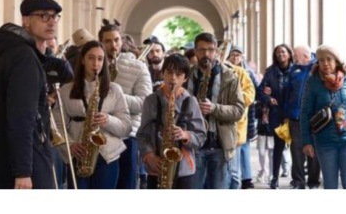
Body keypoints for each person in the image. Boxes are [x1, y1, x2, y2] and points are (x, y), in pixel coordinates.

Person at [0, 0, 62, 189]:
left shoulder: (0, 54)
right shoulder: (24, 59)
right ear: (25, 20)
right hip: (26, 164)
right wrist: (23, 171)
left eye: (55, 16)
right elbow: (22, 118)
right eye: (43, 16)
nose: (51, 22)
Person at [54, 40, 131, 189]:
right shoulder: (66, 90)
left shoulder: (115, 90)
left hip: (107, 156)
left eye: (100, 59)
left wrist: (107, 120)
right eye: (91, 58)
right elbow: (57, 124)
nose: (96, 63)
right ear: (82, 60)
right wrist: (69, 145)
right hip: (79, 153)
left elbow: (126, 127)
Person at [137, 54, 207, 189]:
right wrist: (149, 155)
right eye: (169, 72)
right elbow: (142, 134)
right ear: (163, 73)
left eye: (179, 74)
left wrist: (185, 135)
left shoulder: (190, 101)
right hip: (156, 167)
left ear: (185, 78)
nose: (173, 78)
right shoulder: (151, 100)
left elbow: (201, 136)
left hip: (184, 170)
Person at [186, 32, 245, 189]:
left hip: (219, 145)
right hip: (193, 145)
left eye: (211, 50)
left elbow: (239, 110)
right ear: (195, 51)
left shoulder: (230, 76)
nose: (206, 54)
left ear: (217, 52)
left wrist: (214, 108)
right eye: (201, 50)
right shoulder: (187, 76)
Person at [301, 44, 346, 189]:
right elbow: (305, 113)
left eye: (328, 59)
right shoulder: (313, 82)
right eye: (321, 60)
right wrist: (306, 141)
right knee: (330, 185)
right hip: (325, 141)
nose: (325, 63)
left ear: (337, 61)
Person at [98, 19, 152, 189]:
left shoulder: (138, 67)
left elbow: (145, 103)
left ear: (122, 41)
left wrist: (116, 96)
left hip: (127, 136)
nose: (113, 45)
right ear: (101, 42)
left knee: (125, 185)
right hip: (99, 135)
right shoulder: (93, 64)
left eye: (116, 40)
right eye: (107, 41)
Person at [284, 45, 321, 189]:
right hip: (295, 117)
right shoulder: (294, 69)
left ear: (305, 56)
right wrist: (286, 113)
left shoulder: (318, 69)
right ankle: (298, 181)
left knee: (313, 151)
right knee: (296, 150)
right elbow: (287, 92)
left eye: (295, 55)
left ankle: (313, 181)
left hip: (314, 118)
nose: (293, 57)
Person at [258, 43, 293, 189]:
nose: (281, 54)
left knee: (296, 149)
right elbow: (261, 91)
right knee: (278, 148)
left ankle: (297, 178)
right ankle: (275, 178)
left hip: (293, 114)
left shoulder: (296, 70)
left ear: (289, 54)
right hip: (277, 113)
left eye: (283, 52)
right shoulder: (270, 71)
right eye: (278, 52)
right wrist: (268, 99)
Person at [226, 45, 257, 189]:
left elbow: (251, 94)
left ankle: (246, 179)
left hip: (240, 122)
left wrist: (233, 98)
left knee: (234, 167)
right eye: (233, 55)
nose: (235, 57)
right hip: (222, 123)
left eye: (238, 55)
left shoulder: (244, 72)